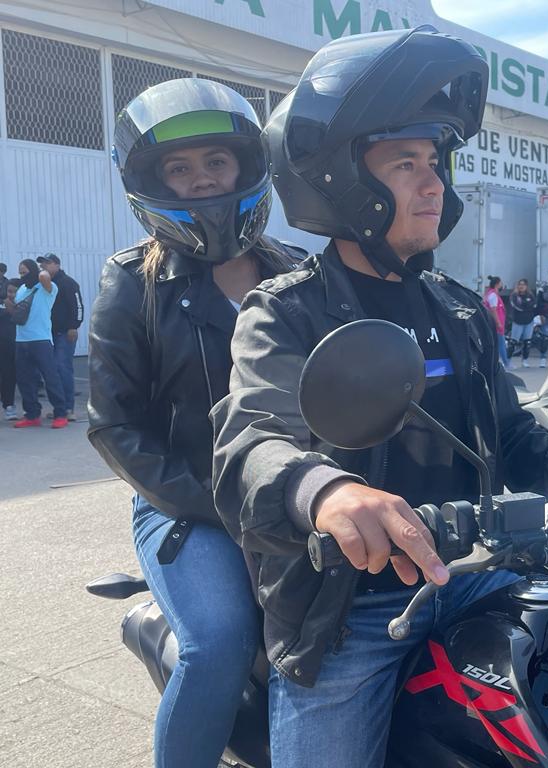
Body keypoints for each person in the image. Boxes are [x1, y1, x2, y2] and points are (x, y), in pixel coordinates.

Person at [209, 28, 548, 768]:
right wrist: (327, 491)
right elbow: (253, 440)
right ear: (341, 179)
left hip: (484, 572)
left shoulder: (459, 311)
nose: (433, 183)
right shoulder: (286, 311)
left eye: (434, 162)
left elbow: (515, 433)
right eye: (405, 164)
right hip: (355, 609)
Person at [86, 78, 300, 768]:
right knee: (218, 642)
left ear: (246, 166)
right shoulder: (134, 282)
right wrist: (222, 507)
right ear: (153, 183)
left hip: (299, 496)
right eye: (179, 168)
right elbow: (113, 426)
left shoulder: (298, 274)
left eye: (216, 161)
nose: (202, 179)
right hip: (186, 505)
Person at [6, 259, 65, 428]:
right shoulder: (22, 290)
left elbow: (44, 276)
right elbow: (18, 314)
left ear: (34, 271)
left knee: (50, 377)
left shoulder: (48, 288)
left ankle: (60, 413)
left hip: (41, 340)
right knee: (25, 380)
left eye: (25, 272)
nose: (22, 276)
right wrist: (9, 305)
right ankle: (32, 414)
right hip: (21, 339)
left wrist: (42, 271)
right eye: (20, 273)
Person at [36, 253, 83, 420]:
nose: (44, 266)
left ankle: (69, 408)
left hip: (64, 334)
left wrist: (74, 326)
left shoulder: (68, 283)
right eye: (42, 264)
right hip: (47, 334)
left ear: (57, 264)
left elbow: (78, 306)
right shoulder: (43, 285)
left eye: (47, 263)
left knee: (62, 368)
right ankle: (59, 408)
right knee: (51, 371)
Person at [508, 278, 536, 367]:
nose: (521, 286)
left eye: (523, 284)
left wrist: (526, 305)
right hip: (518, 321)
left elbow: (533, 305)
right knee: (513, 342)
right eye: (520, 284)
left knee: (527, 342)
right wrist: (526, 306)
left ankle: (525, 360)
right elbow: (517, 306)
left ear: (526, 286)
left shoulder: (531, 295)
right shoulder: (514, 296)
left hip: (529, 321)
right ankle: (507, 361)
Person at [0, 278, 17, 419]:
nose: (11, 295)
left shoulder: (23, 305)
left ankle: (9, 405)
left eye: (14, 292)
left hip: (12, 348)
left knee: (9, 377)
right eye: (9, 292)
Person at [482, 275, 508, 368]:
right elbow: (493, 310)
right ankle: (506, 363)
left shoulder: (491, 294)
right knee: (501, 344)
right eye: (501, 283)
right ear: (497, 284)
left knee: (498, 344)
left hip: (494, 324)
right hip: (496, 325)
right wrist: (498, 323)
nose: (502, 285)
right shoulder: (493, 295)